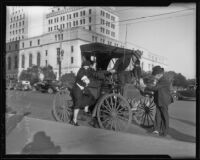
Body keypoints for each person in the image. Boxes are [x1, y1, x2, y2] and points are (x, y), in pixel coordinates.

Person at [142, 66, 172, 136]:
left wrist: (146, 86)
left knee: (164, 116)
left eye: (155, 76)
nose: (154, 77)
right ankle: (156, 129)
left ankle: (165, 131)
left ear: (159, 74)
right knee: (158, 115)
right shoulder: (160, 80)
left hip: (164, 101)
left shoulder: (164, 80)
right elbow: (157, 90)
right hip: (158, 100)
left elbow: (155, 88)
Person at [70, 61, 95, 126]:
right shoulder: (81, 71)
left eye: (88, 66)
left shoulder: (87, 70)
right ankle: (74, 120)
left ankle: (85, 109)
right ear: (83, 66)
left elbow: (92, 74)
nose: (87, 67)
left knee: (91, 96)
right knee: (77, 103)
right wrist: (88, 80)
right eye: (85, 66)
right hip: (77, 88)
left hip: (83, 87)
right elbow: (85, 79)